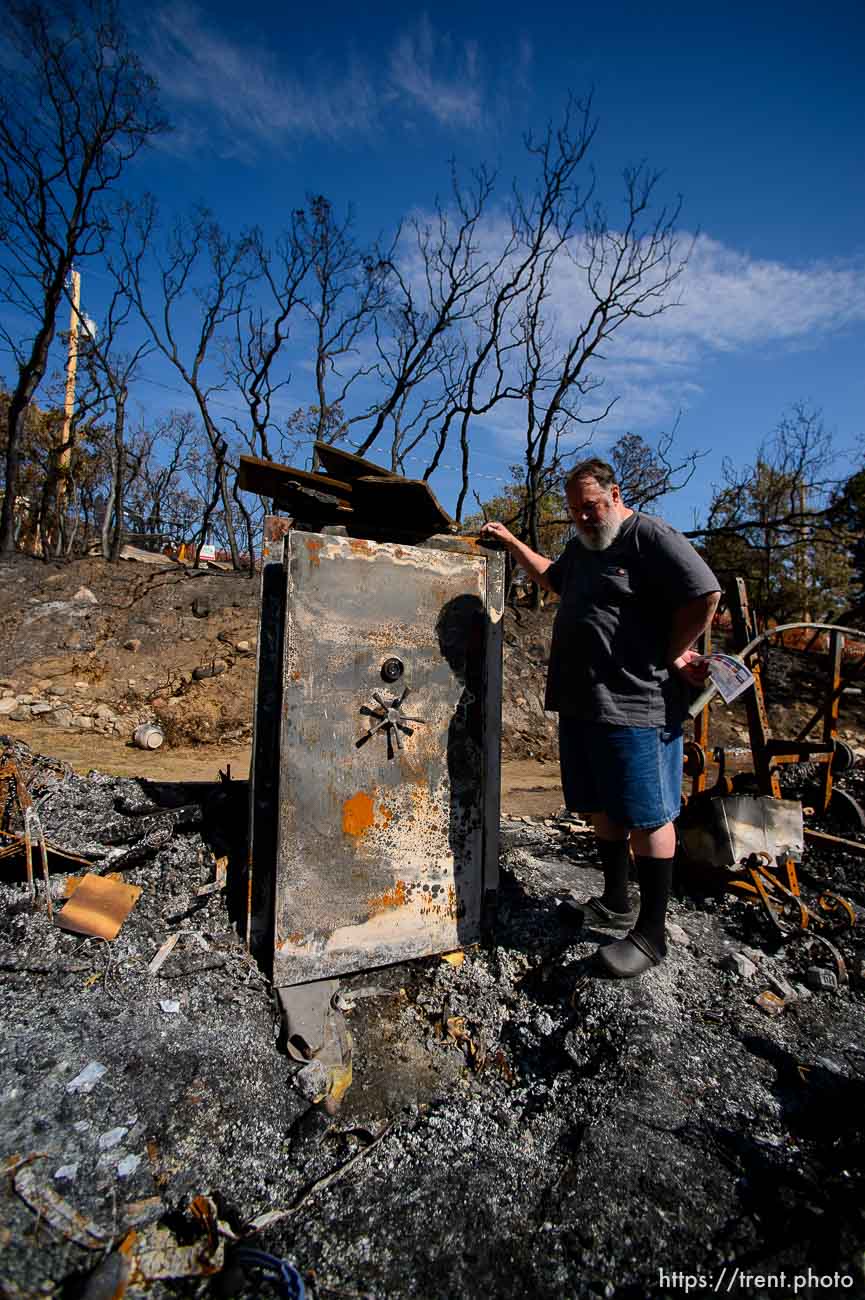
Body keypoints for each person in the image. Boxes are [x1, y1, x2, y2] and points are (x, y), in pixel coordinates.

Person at [481, 458, 720, 978]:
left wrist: (674, 650)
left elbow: (705, 591)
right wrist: (511, 541)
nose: (583, 518)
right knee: (603, 809)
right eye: (573, 512)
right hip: (584, 704)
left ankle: (652, 936)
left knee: (647, 815)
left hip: (638, 705)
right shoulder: (584, 547)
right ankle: (616, 901)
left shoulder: (647, 536)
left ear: (616, 493)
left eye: (589, 506)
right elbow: (555, 581)